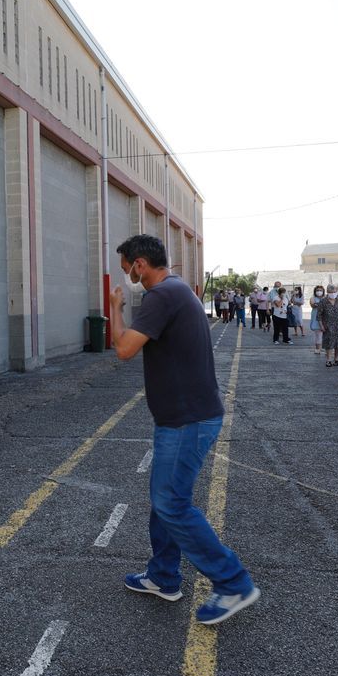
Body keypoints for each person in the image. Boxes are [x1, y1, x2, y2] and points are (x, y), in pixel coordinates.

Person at [108, 234, 259, 624]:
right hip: (185, 417)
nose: (126, 277)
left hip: (187, 420)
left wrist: (115, 309)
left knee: (172, 503)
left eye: (127, 269)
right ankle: (163, 576)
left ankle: (233, 583)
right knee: (165, 499)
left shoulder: (161, 296)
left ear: (140, 264)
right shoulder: (177, 290)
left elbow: (124, 349)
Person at [317, 284, 338, 367]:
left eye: (334, 292)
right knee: (329, 343)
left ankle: (336, 359)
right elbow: (319, 315)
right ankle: (328, 360)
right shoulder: (323, 301)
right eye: (330, 292)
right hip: (328, 325)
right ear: (327, 292)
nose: (333, 293)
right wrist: (321, 325)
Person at [309, 285, 325, 354]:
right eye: (317, 290)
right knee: (318, 334)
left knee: (326, 334)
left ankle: (326, 348)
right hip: (316, 318)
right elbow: (313, 305)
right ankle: (317, 348)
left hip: (325, 318)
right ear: (315, 291)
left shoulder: (326, 298)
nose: (319, 292)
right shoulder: (313, 298)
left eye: (320, 290)